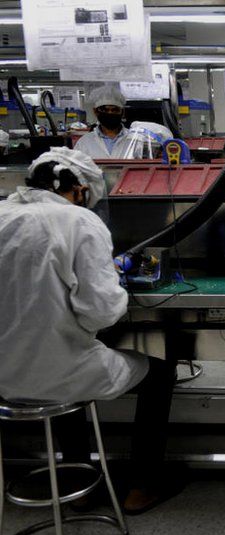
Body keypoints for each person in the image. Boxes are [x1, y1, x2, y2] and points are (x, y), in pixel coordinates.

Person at [0, 148, 181, 514]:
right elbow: (101, 313)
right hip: (56, 374)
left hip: (3, 379)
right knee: (160, 371)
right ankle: (143, 485)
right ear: (80, 190)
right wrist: (112, 281)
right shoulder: (79, 222)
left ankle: (76, 477)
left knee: (61, 362)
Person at [74, 84, 128, 158]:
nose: (110, 113)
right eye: (104, 109)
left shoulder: (135, 139)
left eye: (115, 110)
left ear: (122, 112)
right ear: (95, 111)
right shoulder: (84, 142)